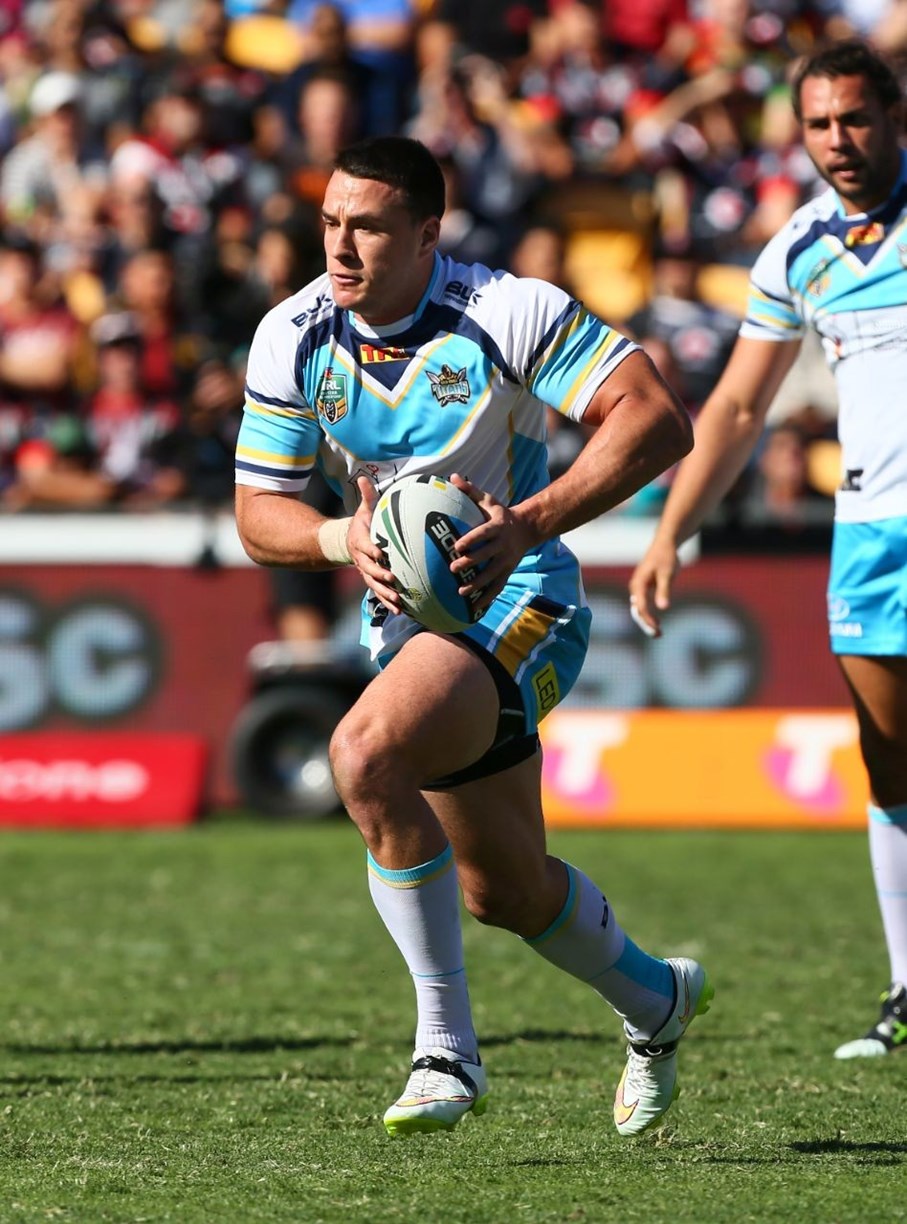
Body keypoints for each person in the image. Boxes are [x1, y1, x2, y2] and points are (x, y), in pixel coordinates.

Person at [234, 134, 710, 1139]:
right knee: (506, 891)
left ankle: (444, 1050)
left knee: (364, 755)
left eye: (368, 227)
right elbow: (257, 512)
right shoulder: (292, 334)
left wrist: (527, 522)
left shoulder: (507, 311)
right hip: (407, 631)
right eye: (329, 223)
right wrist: (338, 535)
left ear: (426, 235)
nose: (341, 247)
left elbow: (656, 418)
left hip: (524, 604)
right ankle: (657, 1000)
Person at [628, 39, 907, 1060]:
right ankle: (906, 986)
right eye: (818, 123)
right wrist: (671, 528)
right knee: (888, 760)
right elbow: (738, 407)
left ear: (894, 116)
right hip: (870, 530)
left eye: (855, 118)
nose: (838, 139)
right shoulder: (796, 252)